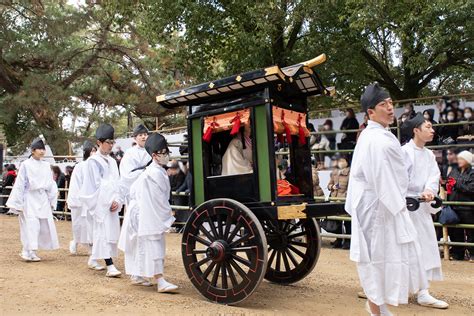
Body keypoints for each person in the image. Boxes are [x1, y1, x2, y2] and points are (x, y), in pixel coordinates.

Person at [345, 83, 427, 315]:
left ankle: (378, 307)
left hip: (381, 203)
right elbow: (382, 177)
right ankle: (376, 309)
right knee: (376, 259)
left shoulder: (379, 135)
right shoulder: (375, 139)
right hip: (376, 206)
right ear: (371, 112)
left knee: (381, 258)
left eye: (391, 103)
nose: (390, 108)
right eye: (384, 104)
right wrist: (400, 203)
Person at [401, 113, 448, 308]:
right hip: (405, 207)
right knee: (406, 248)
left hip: (420, 208)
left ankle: (423, 291)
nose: (432, 130)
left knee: (425, 246)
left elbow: (433, 176)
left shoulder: (429, 154)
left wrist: (429, 190)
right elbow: (399, 178)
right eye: (428, 127)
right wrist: (414, 193)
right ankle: (393, 287)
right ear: (416, 130)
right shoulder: (404, 152)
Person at [126, 133, 178, 293]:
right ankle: (160, 280)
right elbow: (158, 201)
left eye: (166, 152)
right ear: (154, 155)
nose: (166, 155)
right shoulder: (152, 174)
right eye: (163, 153)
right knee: (153, 242)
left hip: (145, 210)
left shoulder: (156, 171)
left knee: (143, 244)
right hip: (146, 212)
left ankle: (137, 274)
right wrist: (169, 215)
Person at [6, 138, 60, 262]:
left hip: (42, 198)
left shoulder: (46, 165)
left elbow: (51, 183)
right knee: (30, 224)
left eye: (43, 149)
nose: (41, 151)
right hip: (29, 198)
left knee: (40, 225)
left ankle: (33, 251)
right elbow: (20, 183)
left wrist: (52, 199)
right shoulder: (26, 164)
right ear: (33, 150)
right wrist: (18, 202)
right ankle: (26, 250)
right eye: (39, 149)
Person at [79, 123, 122, 277]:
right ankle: (109, 265)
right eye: (107, 143)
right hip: (100, 203)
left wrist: (117, 199)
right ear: (99, 143)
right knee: (102, 232)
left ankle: (93, 258)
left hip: (112, 202)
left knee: (109, 233)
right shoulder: (92, 162)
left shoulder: (112, 161)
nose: (110, 146)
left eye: (112, 142)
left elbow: (117, 181)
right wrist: (108, 200)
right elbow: (94, 185)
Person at [117, 124, 152, 285]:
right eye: (140, 135)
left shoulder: (151, 151)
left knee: (146, 236)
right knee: (135, 236)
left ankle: (143, 271)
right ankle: (135, 273)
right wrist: (145, 171)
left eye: (145, 134)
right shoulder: (130, 155)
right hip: (136, 199)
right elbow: (126, 176)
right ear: (135, 137)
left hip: (148, 198)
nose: (144, 137)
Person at [67, 140, 96, 255]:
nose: (94, 153)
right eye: (92, 151)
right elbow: (75, 184)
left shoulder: (97, 166)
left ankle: (91, 247)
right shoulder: (80, 166)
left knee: (91, 226)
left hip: (92, 200)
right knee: (79, 225)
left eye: (95, 150)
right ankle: (75, 241)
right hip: (80, 201)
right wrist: (78, 199)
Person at [447, 151, 473, 262]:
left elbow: (471, 188)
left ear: (467, 160)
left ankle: (472, 254)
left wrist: (456, 184)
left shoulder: (472, 173)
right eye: (459, 159)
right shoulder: (454, 171)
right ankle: (458, 254)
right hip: (454, 206)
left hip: (468, 208)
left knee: (471, 232)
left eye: (462, 159)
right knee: (455, 231)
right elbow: (448, 183)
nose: (459, 161)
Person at [327, 155, 351, 249]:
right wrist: (331, 187)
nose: (340, 162)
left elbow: (351, 188)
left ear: (347, 162)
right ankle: (339, 240)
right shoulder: (334, 172)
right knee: (337, 222)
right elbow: (329, 185)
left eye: (342, 160)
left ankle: (348, 241)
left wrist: (345, 196)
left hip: (344, 200)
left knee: (347, 222)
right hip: (334, 199)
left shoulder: (350, 173)